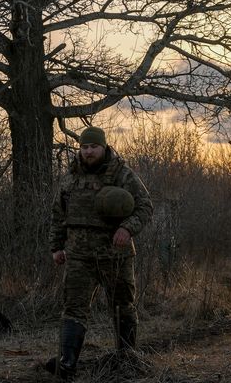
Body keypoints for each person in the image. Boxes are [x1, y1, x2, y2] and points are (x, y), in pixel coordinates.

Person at [47, 125, 153, 379]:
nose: (89, 151)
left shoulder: (121, 174)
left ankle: (127, 358)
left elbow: (145, 206)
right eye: (84, 147)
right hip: (79, 256)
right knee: (73, 308)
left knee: (122, 306)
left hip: (114, 255)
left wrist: (127, 229)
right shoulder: (70, 177)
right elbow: (58, 214)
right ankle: (67, 363)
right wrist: (56, 247)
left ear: (103, 147)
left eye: (93, 146)